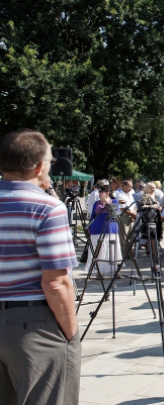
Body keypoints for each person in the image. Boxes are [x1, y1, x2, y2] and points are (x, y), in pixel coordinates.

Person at [0, 129, 81, 404]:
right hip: (33, 323)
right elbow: (56, 283)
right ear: (38, 166)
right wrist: (70, 336)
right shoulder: (48, 208)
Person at [85, 185, 122, 278]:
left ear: (107, 193)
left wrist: (107, 203)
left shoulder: (114, 201)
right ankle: (99, 272)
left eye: (102, 191)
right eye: (100, 192)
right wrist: (89, 228)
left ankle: (116, 271)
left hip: (110, 229)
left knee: (112, 250)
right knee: (98, 250)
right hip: (97, 228)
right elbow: (92, 216)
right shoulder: (96, 203)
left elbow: (114, 214)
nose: (100, 193)